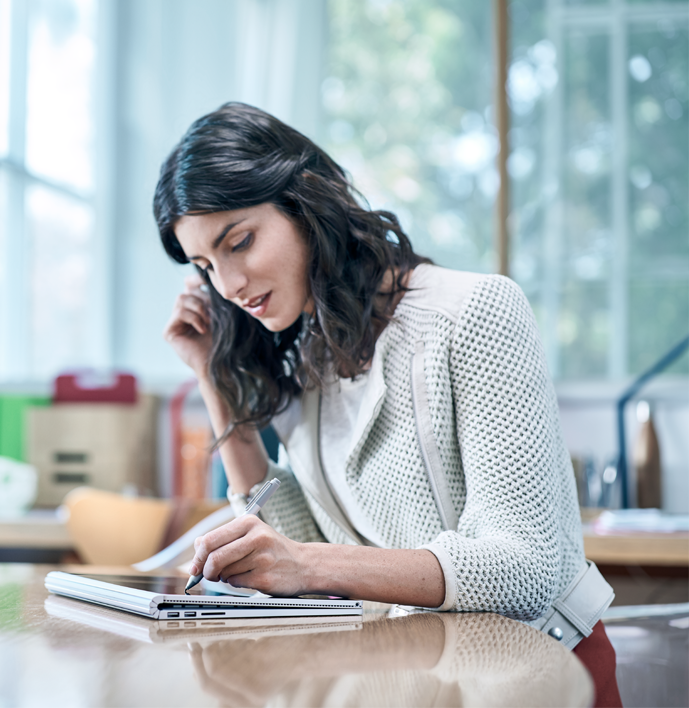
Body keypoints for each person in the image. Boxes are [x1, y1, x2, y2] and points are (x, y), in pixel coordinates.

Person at [154, 102, 618, 701]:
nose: (229, 285)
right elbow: (302, 538)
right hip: (413, 681)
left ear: (305, 201)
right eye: (205, 265)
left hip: (533, 677)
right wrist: (212, 375)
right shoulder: (313, 357)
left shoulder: (475, 312)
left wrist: (307, 564)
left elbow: (524, 568)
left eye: (239, 241)